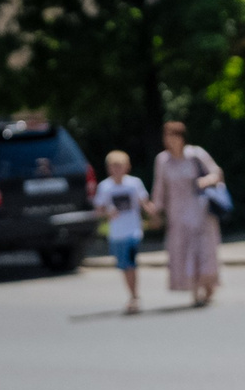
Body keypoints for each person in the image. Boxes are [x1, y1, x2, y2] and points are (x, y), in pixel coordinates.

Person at [151, 121, 226, 308]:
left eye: (173, 136)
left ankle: (207, 285)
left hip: (200, 210)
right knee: (185, 252)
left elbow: (217, 173)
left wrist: (205, 181)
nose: (170, 140)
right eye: (167, 136)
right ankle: (195, 291)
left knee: (204, 251)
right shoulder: (162, 160)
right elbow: (160, 187)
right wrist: (156, 211)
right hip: (177, 214)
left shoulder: (196, 154)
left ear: (181, 138)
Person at [92, 150, 151, 315]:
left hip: (133, 231)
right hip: (117, 233)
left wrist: (154, 215)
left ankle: (134, 297)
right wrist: (107, 213)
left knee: (131, 264)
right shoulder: (105, 187)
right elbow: (98, 210)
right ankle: (132, 295)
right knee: (124, 266)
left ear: (127, 167)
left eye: (119, 166)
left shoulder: (134, 183)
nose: (116, 169)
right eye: (113, 166)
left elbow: (144, 203)